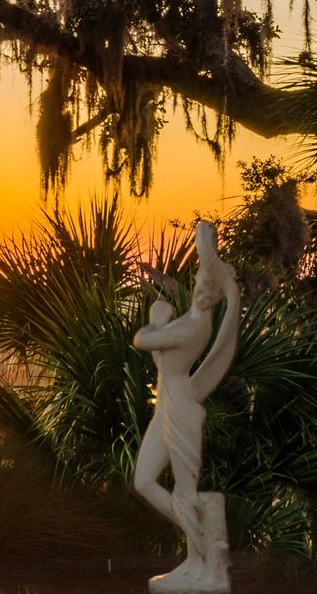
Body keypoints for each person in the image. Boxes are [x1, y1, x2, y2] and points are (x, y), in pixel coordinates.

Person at [132, 221, 239, 592]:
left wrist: (154, 319)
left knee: (186, 492)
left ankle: (210, 564)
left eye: (213, 290)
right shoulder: (188, 319)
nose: (204, 292)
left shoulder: (193, 329)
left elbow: (142, 342)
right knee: (143, 480)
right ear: (195, 281)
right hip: (167, 407)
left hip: (182, 410)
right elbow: (160, 352)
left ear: (218, 296)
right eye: (202, 284)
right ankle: (202, 551)